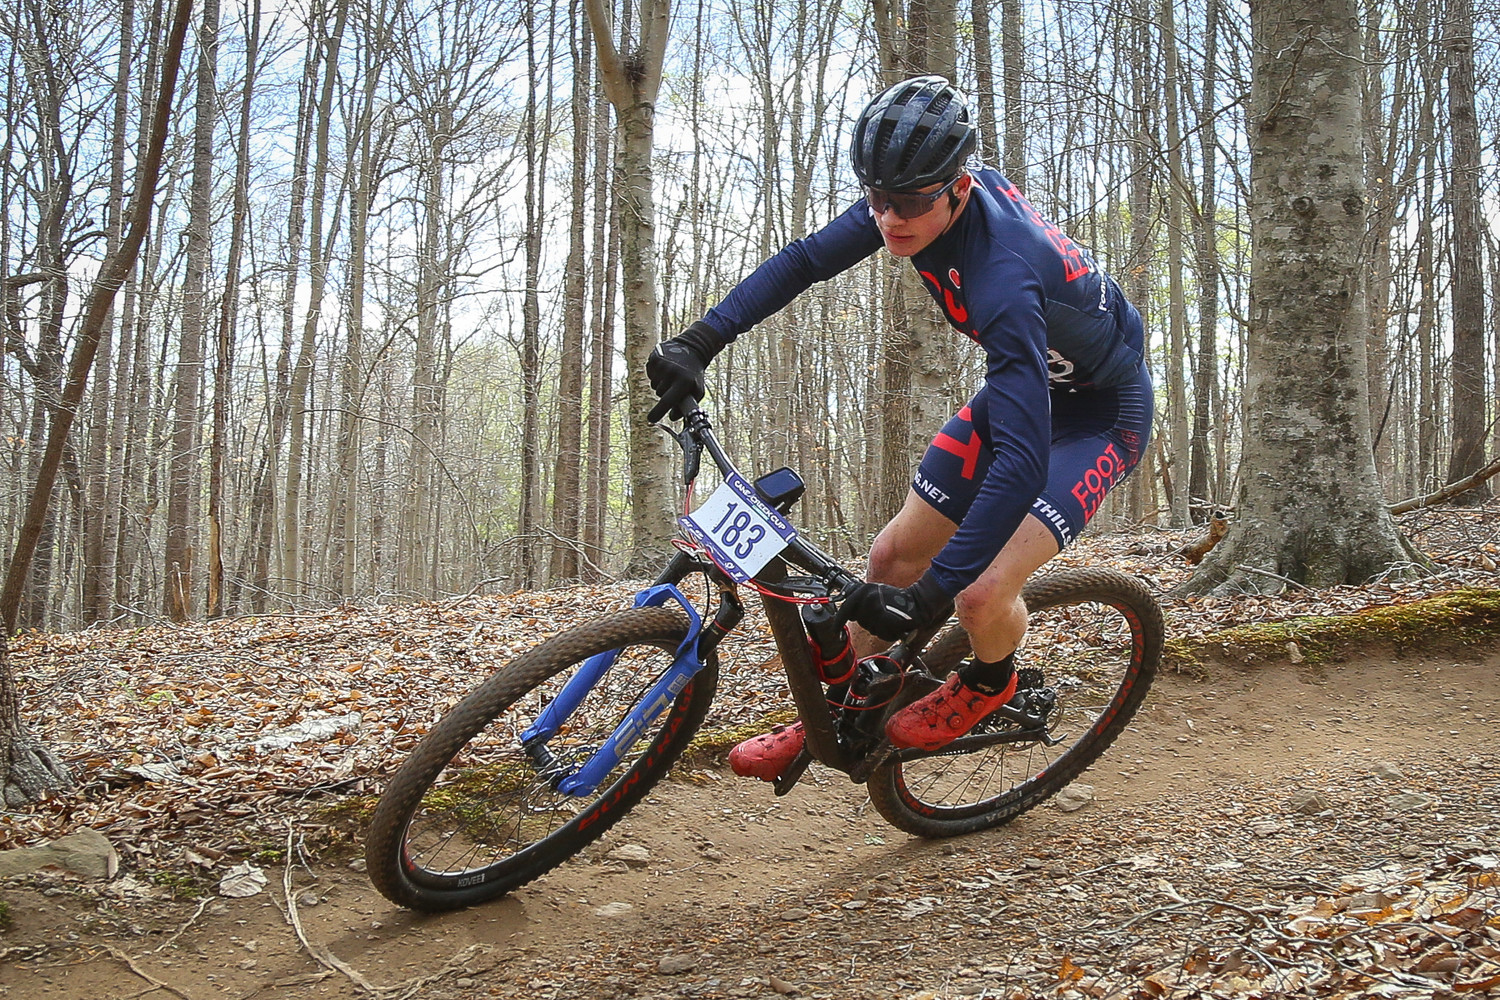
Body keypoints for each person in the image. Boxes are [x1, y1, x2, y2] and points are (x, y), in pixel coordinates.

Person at [647, 75, 1153, 782]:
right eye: (875, 197)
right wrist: (699, 342)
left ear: (958, 189)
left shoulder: (1003, 276)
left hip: (1102, 416)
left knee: (977, 593)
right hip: (1034, 390)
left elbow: (1022, 462)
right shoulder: (911, 197)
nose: (889, 219)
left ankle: (991, 680)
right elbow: (805, 261)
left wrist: (928, 599)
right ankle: (831, 716)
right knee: (888, 557)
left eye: (909, 203)